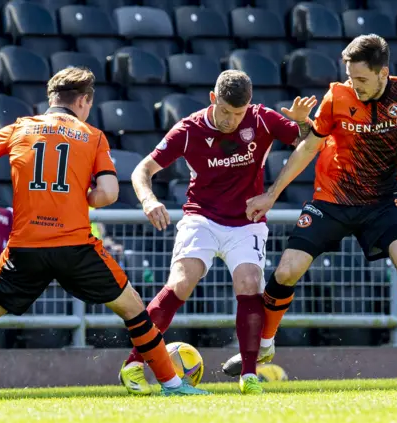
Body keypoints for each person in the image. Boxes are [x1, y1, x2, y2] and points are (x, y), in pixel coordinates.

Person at [222, 34, 397, 388]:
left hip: (382, 199)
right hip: (331, 198)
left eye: (360, 78)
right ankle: (264, 347)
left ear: (383, 73)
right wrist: (271, 194)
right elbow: (307, 149)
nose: (353, 85)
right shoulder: (336, 97)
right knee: (287, 270)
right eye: (349, 77)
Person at [0, 66, 209, 400]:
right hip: (76, 247)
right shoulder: (93, 136)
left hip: (25, 248)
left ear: (51, 98)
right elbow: (108, 194)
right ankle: (171, 385)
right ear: (83, 101)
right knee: (134, 310)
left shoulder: (21, 128)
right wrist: (83, 196)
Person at [118, 69, 318, 395]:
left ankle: (249, 375)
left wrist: (302, 122)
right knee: (181, 282)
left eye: (239, 113)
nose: (232, 120)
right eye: (225, 111)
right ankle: (133, 364)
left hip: (247, 220)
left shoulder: (262, 120)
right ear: (213, 99)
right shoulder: (189, 129)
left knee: (250, 283)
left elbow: (306, 142)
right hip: (202, 218)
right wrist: (149, 199)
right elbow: (143, 170)